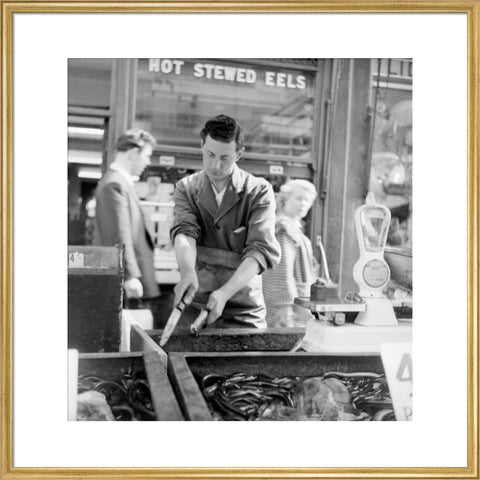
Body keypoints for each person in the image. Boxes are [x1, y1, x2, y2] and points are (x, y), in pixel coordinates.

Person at [170, 114, 281, 328]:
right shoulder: (187, 188)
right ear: (202, 145)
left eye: (225, 158)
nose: (215, 165)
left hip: (243, 307)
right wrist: (187, 272)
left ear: (239, 154)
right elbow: (185, 233)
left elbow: (259, 250)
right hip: (195, 301)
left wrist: (224, 293)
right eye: (210, 155)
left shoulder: (258, 191)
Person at [93, 128, 160, 302]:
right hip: (126, 281)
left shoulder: (119, 182)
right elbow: (118, 233)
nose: (148, 161)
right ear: (133, 153)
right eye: (146, 155)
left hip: (129, 278)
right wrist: (129, 276)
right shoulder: (114, 184)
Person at [262, 179, 319, 327]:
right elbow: (281, 269)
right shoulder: (283, 228)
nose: (303, 204)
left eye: (307, 200)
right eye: (299, 198)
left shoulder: (293, 227)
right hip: (287, 308)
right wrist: (284, 306)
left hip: (298, 304)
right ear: (285, 200)